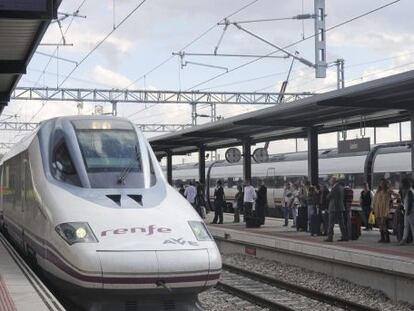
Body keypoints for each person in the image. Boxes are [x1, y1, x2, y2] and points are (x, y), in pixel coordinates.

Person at [325, 176, 348, 242]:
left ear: (333, 181)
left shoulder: (334, 188)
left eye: (330, 181)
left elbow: (328, 197)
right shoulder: (341, 187)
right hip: (340, 207)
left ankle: (330, 237)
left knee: (331, 223)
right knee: (341, 223)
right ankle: (344, 236)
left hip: (333, 208)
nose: (329, 182)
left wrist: (329, 193)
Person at [373, 178, 392, 243]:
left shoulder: (388, 191)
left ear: (385, 184)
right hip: (378, 209)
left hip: (384, 210)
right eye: (381, 183)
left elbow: (397, 196)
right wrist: (373, 207)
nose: (381, 184)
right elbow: (375, 200)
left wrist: (391, 202)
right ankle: (382, 238)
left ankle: (387, 238)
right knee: (380, 224)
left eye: (383, 183)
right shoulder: (378, 191)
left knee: (383, 224)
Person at [400, 178, 414, 245]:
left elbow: (411, 202)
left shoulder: (410, 191)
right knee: (406, 225)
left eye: (402, 183)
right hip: (407, 210)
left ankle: (405, 239)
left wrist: (408, 211)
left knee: (412, 225)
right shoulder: (407, 191)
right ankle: (404, 239)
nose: (401, 185)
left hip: (410, 211)